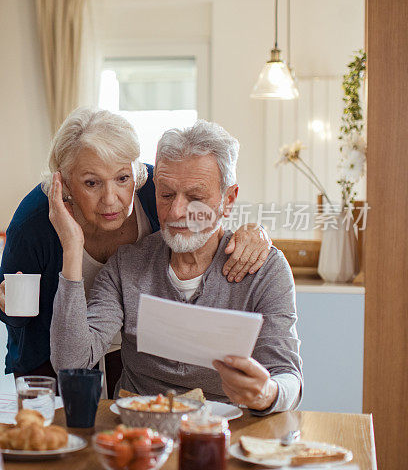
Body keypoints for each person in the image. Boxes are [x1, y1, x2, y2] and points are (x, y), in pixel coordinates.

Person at [0, 107, 274, 393]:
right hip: (51, 355)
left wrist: (255, 231)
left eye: (122, 178)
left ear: (136, 172)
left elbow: (205, 215)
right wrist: (13, 307)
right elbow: (12, 306)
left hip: (131, 351)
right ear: (64, 183)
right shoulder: (34, 222)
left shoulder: (158, 190)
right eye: (91, 183)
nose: (111, 199)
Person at [49, 120, 302, 413]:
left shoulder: (265, 268)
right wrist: (71, 248)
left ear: (228, 200)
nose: (177, 212)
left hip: (223, 432)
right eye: (166, 195)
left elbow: (289, 378)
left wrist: (267, 393)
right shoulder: (126, 264)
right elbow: (71, 362)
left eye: (195, 197)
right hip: (138, 433)